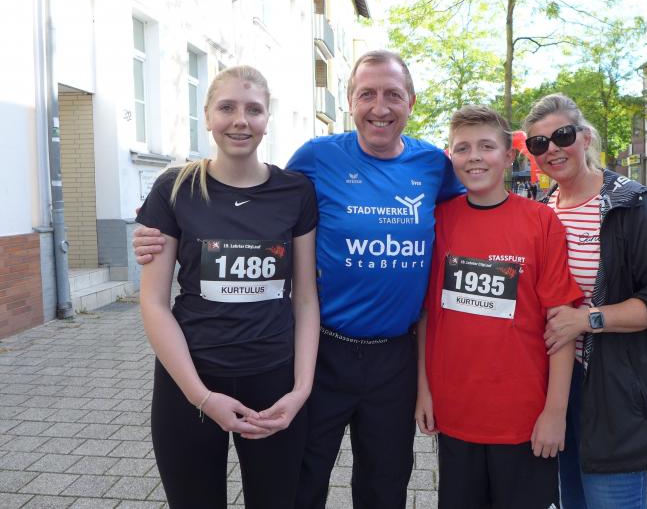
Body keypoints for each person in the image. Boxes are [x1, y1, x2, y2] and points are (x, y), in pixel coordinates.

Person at [132, 50, 464, 509]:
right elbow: (253, 206)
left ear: (411, 101)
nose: (380, 107)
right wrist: (156, 233)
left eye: (392, 94)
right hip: (322, 350)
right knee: (304, 485)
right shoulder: (314, 159)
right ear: (350, 101)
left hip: (393, 356)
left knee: (385, 484)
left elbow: (471, 214)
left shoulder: (433, 165)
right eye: (367, 94)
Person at [136, 65, 320, 508]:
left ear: (267, 118)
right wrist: (200, 397)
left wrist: (300, 390)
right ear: (207, 115)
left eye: (253, 109)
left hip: (273, 379)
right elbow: (154, 302)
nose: (241, 120)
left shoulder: (295, 192)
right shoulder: (174, 188)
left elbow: (305, 299)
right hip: (190, 380)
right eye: (227, 108)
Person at [524, 93, 647, 509]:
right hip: (557, 386)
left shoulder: (631, 204)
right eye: (539, 143)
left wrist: (589, 320)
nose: (552, 149)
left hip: (616, 390)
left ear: (585, 138)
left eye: (563, 135)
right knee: (572, 500)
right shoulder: (542, 211)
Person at [415, 105, 583, 509]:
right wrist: (423, 390)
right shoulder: (437, 222)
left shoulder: (541, 221)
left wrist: (555, 412)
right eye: (462, 148)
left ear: (509, 156)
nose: (474, 157)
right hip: (455, 414)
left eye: (486, 146)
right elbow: (426, 317)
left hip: (524, 419)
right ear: (451, 157)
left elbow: (561, 324)